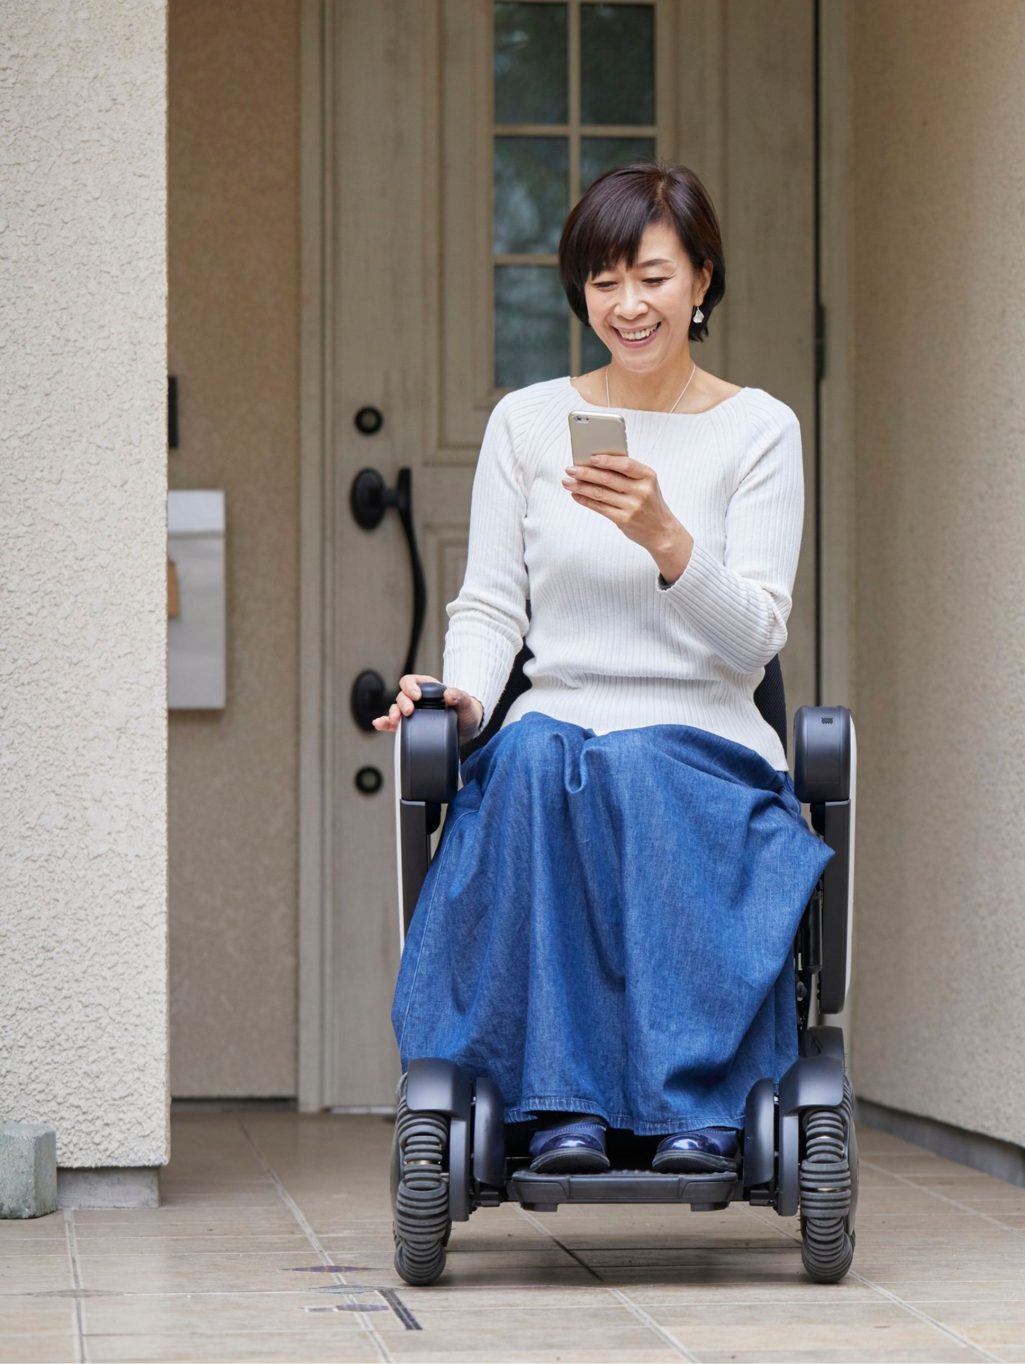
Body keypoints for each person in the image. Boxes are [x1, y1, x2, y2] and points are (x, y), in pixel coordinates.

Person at [374, 163, 830, 1176]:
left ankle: (692, 1105)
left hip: (704, 732)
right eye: (603, 280)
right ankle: (557, 1104)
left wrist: (666, 535)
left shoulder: (756, 430)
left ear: (702, 281)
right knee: (531, 761)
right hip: (559, 719)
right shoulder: (525, 424)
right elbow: (491, 606)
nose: (627, 305)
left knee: (639, 764)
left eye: (653, 277)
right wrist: (460, 693)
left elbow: (754, 639)